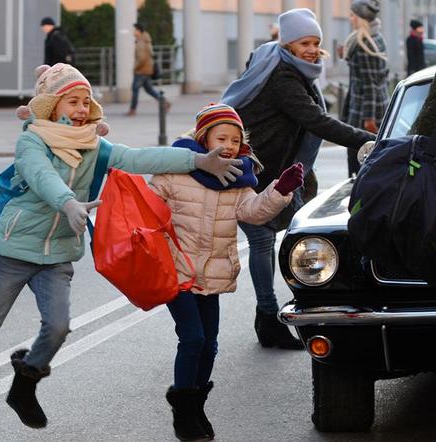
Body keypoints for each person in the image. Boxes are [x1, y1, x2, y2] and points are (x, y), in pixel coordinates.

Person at [0, 63, 244, 438]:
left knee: (58, 326)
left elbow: (140, 158)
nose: (79, 108)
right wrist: (68, 202)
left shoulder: (94, 145)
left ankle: (24, 385)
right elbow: (41, 176)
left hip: (58, 254)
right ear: (52, 106)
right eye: (71, 101)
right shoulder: (32, 140)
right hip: (14, 251)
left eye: (85, 101)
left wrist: (197, 160)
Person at [220, 8, 375, 350]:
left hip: (279, 169)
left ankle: (293, 312)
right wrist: (366, 141)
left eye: (316, 42)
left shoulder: (287, 67)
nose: (311, 48)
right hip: (255, 170)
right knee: (263, 242)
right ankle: (269, 317)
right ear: (287, 43)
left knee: (296, 236)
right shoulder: (282, 77)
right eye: (304, 42)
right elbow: (316, 120)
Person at [150, 103, 304, 441]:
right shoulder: (175, 170)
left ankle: (196, 406)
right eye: (223, 137)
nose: (230, 145)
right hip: (178, 270)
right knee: (192, 339)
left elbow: (252, 212)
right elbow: (149, 204)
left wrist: (279, 190)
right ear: (204, 138)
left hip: (214, 274)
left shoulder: (237, 176)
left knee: (210, 346)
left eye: (236, 139)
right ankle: (183, 411)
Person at [341, 0, 389, 176]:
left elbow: (370, 84)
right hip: (372, 106)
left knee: (358, 159)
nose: (350, 18)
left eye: (353, 15)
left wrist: (369, 119)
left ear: (360, 18)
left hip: (364, 112)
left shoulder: (364, 44)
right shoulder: (374, 38)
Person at [125, 23, 168, 116]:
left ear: (138, 31)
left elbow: (141, 58)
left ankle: (132, 110)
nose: (133, 32)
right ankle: (164, 102)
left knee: (135, 89)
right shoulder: (145, 40)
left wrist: (135, 68)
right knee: (149, 89)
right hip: (147, 69)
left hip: (141, 70)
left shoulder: (141, 42)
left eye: (134, 30)